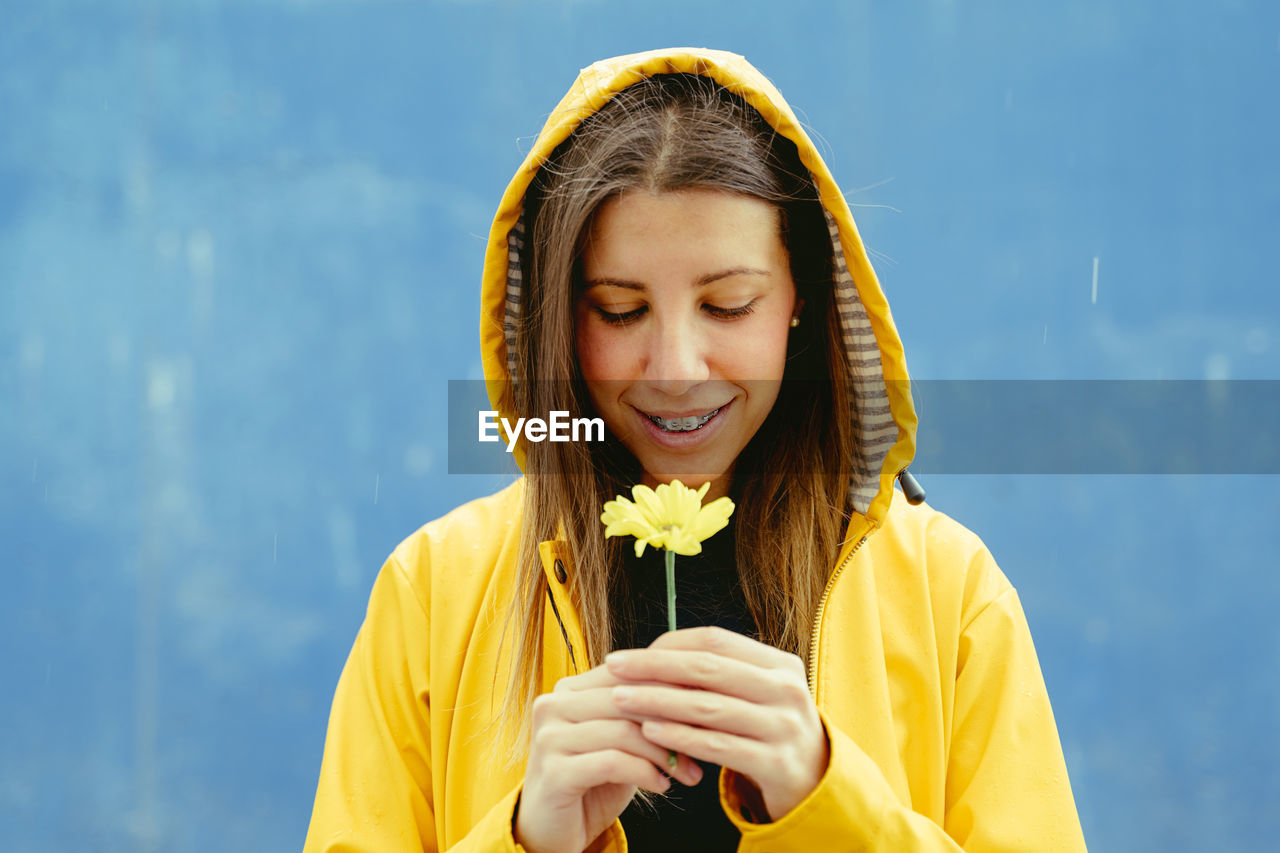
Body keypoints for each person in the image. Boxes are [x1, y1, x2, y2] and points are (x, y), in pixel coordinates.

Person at [303, 48, 1088, 852]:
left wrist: (833, 805)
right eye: (618, 311)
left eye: (727, 304)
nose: (676, 369)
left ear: (800, 298)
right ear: (558, 321)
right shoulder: (434, 591)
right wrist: (527, 842)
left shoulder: (951, 594)